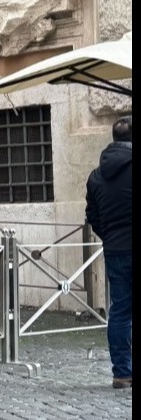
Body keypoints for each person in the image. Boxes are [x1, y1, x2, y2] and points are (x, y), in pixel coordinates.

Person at [85, 115, 132, 389]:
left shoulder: (96, 175)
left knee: (120, 311)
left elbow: (93, 215)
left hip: (115, 249)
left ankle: (122, 373)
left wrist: (111, 236)